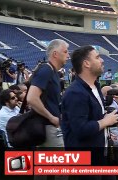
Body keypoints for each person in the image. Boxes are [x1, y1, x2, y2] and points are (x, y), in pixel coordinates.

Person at [61, 46, 118, 180]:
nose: (102, 60)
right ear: (86, 63)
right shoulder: (75, 93)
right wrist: (105, 122)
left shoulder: (95, 86)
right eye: (97, 57)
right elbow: (80, 130)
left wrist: (108, 128)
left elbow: (94, 117)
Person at [26, 39, 69, 180]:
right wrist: (51, 117)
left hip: (45, 126)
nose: (68, 55)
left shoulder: (52, 71)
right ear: (55, 54)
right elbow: (32, 98)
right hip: (48, 126)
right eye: (65, 51)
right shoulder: (46, 69)